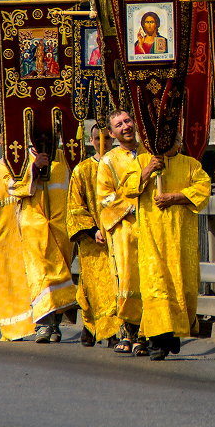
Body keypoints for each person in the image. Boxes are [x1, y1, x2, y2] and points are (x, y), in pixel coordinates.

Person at [0, 127, 76, 342]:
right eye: (41, 136)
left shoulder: (66, 159)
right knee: (41, 277)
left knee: (58, 276)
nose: (46, 139)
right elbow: (14, 186)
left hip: (62, 229)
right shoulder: (20, 161)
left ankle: (55, 324)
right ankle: (44, 325)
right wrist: (35, 168)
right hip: (33, 229)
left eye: (51, 135)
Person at [124, 139, 211, 360]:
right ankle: (156, 340)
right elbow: (127, 188)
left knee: (182, 287)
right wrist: (149, 170)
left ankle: (173, 334)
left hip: (181, 240)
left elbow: (203, 189)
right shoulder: (143, 161)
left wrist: (175, 197)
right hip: (152, 240)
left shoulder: (191, 164)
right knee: (155, 287)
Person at [97, 110, 147, 353]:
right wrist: (131, 206)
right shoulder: (108, 161)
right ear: (112, 133)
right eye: (119, 125)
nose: (125, 127)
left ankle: (148, 333)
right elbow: (105, 198)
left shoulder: (150, 152)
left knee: (150, 279)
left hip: (151, 227)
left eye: (127, 121)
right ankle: (128, 332)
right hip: (125, 230)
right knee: (127, 280)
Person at [66, 125, 121, 347]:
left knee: (117, 285)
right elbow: (75, 206)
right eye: (98, 138)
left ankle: (107, 328)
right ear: (91, 140)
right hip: (93, 239)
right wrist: (92, 230)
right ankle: (99, 328)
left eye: (107, 138)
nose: (103, 142)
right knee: (97, 285)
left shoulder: (121, 165)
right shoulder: (82, 170)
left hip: (118, 234)